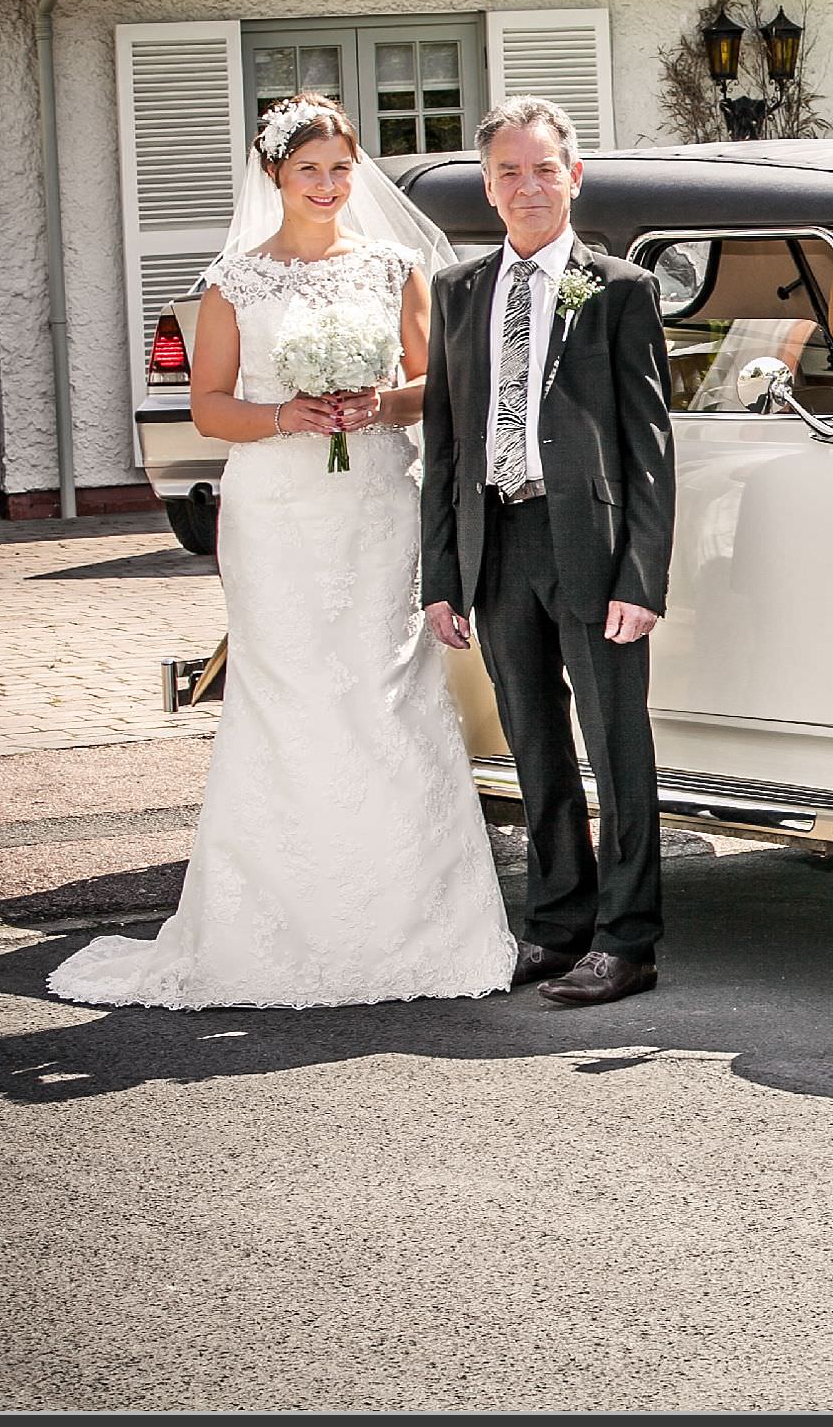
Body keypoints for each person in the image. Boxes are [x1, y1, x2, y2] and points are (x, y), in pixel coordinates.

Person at [49, 92, 517, 1010]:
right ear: (275, 176)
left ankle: (419, 925)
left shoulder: (393, 269)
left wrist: (379, 404)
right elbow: (209, 407)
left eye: (342, 168)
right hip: (279, 511)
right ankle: (272, 924)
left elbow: (436, 380)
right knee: (287, 694)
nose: (329, 185)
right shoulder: (234, 282)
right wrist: (285, 415)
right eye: (309, 170)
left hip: (378, 502)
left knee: (388, 693)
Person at [420, 96, 676, 1008]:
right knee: (534, 745)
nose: (527, 186)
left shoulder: (619, 291)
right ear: (489, 189)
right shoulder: (457, 294)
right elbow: (444, 447)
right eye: (508, 172)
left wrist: (641, 577)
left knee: (616, 745)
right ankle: (557, 926)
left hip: (593, 550)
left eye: (543, 168)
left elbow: (650, 448)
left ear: (573, 177)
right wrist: (441, 576)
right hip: (497, 545)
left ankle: (628, 940)